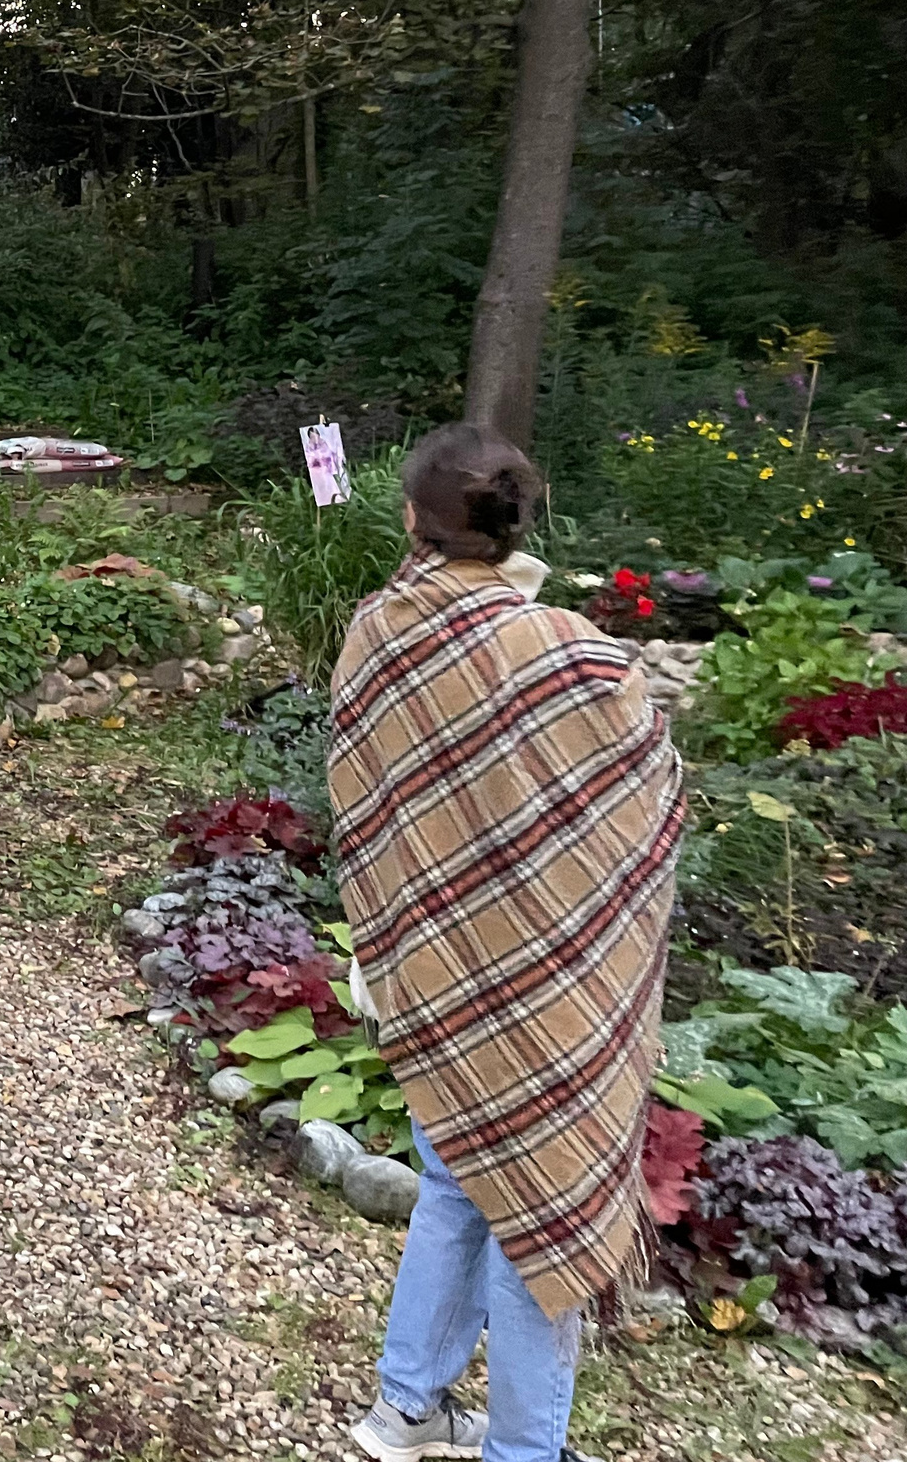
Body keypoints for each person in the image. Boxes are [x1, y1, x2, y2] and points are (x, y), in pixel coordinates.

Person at [331, 423, 684, 1462]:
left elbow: (369, 797)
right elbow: (647, 798)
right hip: (550, 987)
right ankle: (524, 1448)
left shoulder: (376, 633)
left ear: (411, 519)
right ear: (518, 525)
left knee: (453, 1181)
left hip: (433, 971)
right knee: (545, 1191)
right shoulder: (572, 655)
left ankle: (405, 1408)